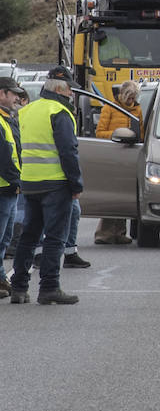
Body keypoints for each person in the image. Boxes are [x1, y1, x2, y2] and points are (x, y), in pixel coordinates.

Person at [9, 67, 84, 305]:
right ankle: (49, 287)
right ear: (61, 89)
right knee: (55, 238)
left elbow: (19, 146)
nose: (72, 94)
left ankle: (19, 288)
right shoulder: (60, 112)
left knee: (29, 237)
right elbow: (68, 151)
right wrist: (76, 183)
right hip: (55, 183)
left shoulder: (27, 111)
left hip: (30, 181)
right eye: (71, 89)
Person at [94, 80, 142, 245]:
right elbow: (99, 132)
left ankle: (120, 232)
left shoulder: (138, 110)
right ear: (122, 95)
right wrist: (117, 135)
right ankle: (104, 233)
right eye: (129, 97)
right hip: (112, 154)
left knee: (124, 194)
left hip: (130, 155)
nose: (131, 101)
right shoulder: (109, 108)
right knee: (112, 195)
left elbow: (141, 131)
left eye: (134, 98)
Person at [0, 77, 24, 297]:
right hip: (4, 188)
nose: (17, 97)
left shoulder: (8, 118)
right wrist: (16, 180)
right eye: (13, 93)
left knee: (6, 238)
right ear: (1, 94)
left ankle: (1, 280)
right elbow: (4, 158)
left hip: (9, 188)